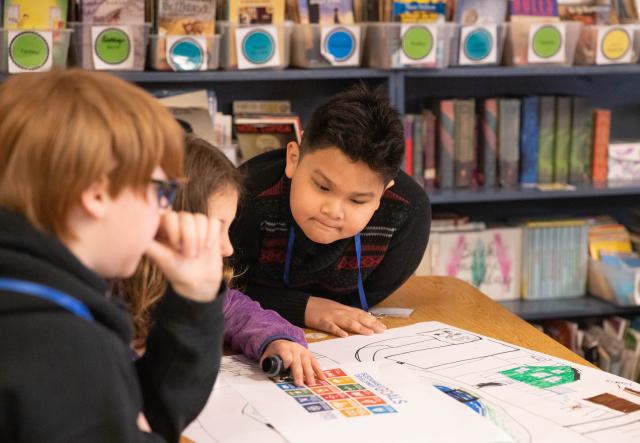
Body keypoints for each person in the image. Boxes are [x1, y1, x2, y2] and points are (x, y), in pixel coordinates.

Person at [0, 69, 225, 443]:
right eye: (161, 192)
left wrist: (195, 299)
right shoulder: (67, 350)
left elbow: (136, 414)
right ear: (97, 193)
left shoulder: (32, 299)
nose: (164, 215)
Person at [116, 135, 323, 386]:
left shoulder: (187, 283)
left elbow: (234, 308)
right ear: (162, 220)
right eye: (216, 229)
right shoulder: (101, 299)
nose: (227, 248)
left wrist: (276, 339)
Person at [231, 84, 431, 338]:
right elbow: (221, 291)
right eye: (323, 186)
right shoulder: (245, 196)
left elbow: (360, 303)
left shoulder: (408, 214)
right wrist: (305, 308)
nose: (333, 211)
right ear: (294, 159)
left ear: (384, 193)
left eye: (357, 201)